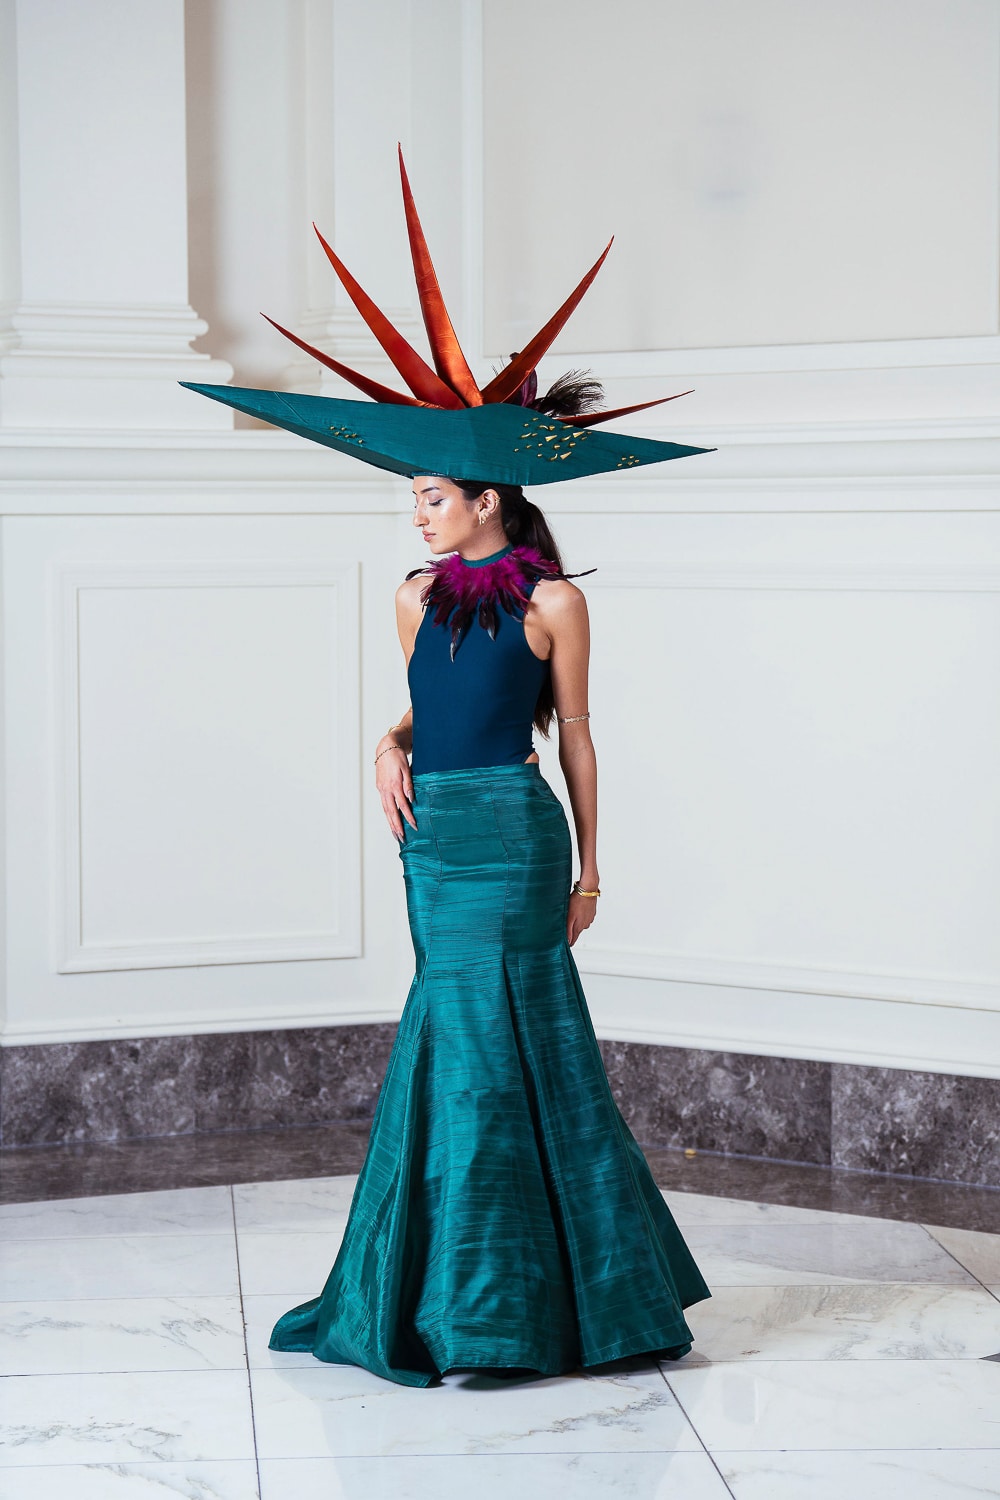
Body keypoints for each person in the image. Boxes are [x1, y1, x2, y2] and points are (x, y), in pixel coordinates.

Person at [182, 150, 712, 1387]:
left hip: (517, 845)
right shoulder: (417, 594)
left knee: (509, 1042)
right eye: (413, 495)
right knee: (454, 1042)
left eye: (430, 494)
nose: (415, 513)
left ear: (489, 497)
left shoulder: (558, 602)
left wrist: (592, 871)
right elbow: (427, 711)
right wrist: (385, 740)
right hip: (434, 840)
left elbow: (571, 735)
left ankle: (518, 1310)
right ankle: (467, 1298)